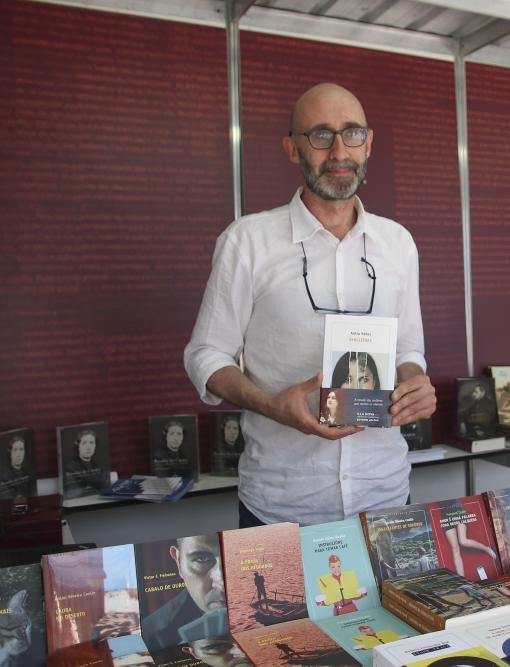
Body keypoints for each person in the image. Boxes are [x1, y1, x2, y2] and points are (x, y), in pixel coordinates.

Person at [184, 82, 436, 527]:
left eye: (352, 133)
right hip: (281, 507)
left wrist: (415, 384)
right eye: (320, 135)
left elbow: (408, 351)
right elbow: (206, 355)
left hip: (386, 497)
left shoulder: (398, 243)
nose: (339, 150)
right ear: (292, 149)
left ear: (369, 144)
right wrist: (269, 404)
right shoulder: (247, 241)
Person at [143, 534, 226, 651]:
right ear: (178, 561)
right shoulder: (151, 635)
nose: (222, 581)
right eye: (201, 559)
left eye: (235, 555)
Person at [63, 428, 106, 498]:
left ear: (95, 446)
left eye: (91, 443)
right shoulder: (70, 468)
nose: (88, 447)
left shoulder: (99, 467)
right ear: (78, 446)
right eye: (84, 443)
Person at [0, 434, 34, 499]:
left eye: (21, 449)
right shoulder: (4, 476)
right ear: (10, 452)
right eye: (15, 450)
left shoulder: (29, 474)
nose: (19, 454)